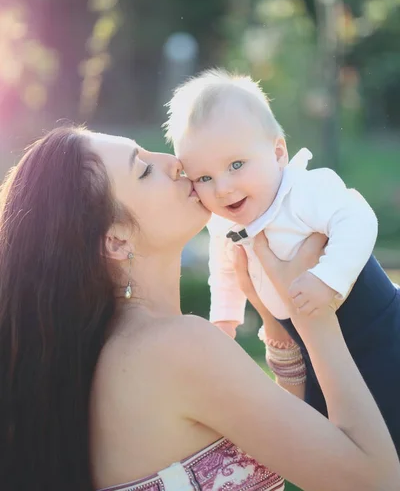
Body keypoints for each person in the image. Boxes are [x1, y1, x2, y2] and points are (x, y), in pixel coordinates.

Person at [0, 126, 399, 491]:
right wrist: (313, 316)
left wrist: (275, 325)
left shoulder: (113, 353)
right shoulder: (175, 346)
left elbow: (296, 444)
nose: (174, 165)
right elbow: (376, 480)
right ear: (117, 242)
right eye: (143, 170)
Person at [164, 68, 400, 448]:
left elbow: (358, 219)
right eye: (204, 178)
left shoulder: (305, 190)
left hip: (377, 330)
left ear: (277, 153)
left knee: (389, 425)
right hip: (310, 349)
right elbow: (224, 272)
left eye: (236, 165)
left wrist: (328, 278)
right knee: (335, 440)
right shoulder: (226, 226)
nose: (223, 188)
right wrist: (224, 320)